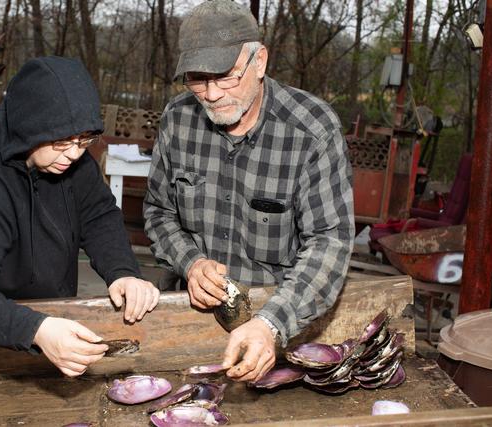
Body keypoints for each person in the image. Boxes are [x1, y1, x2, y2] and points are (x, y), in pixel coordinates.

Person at [0, 56, 160, 377]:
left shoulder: (67, 152)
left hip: (41, 321)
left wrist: (123, 272)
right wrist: (34, 330)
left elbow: (98, 215)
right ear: (29, 127)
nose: (75, 153)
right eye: (62, 142)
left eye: (84, 141)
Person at [143, 0, 354, 383]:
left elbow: (330, 241)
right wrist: (190, 263)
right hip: (188, 320)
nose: (210, 94)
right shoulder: (177, 120)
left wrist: (270, 324)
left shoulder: (312, 131)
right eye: (197, 79)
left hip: (280, 320)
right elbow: (159, 212)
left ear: (259, 62)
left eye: (225, 77)